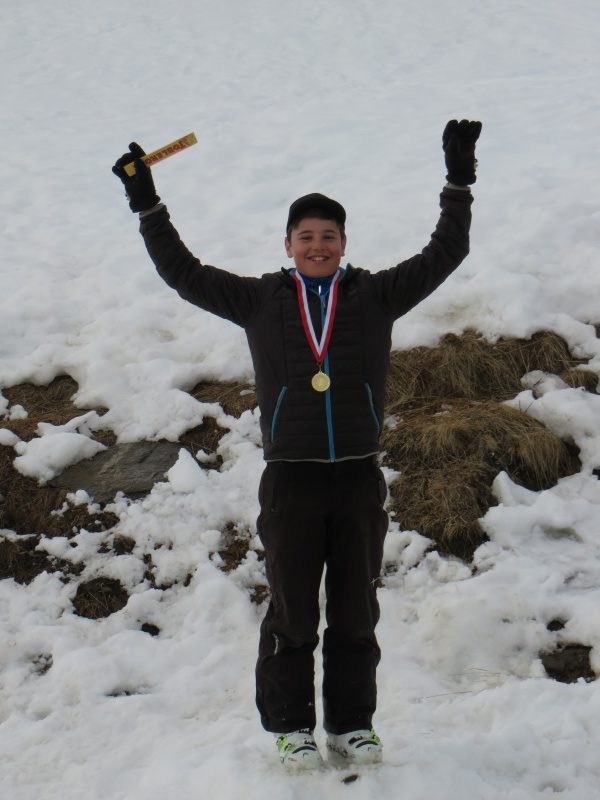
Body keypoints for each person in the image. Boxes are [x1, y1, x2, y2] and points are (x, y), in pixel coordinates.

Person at [112, 119, 482, 770]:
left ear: (343, 243)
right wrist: (147, 203)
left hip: (358, 477)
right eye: (306, 236)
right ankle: (291, 728)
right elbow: (183, 272)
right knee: (292, 612)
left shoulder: (376, 295)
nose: (317, 245)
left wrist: (458, 181)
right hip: (291, 480)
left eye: (328, 235)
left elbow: (444, 253)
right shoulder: (259, 300)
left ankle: (352, 724)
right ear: (288, 244)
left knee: (356, 611)